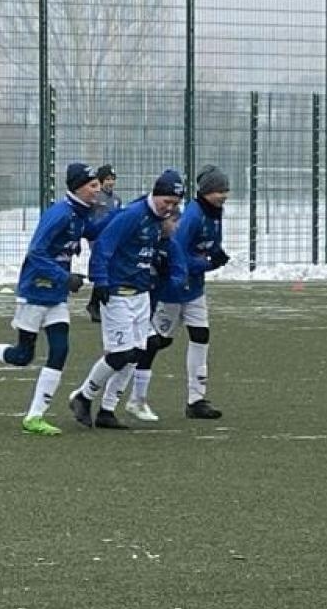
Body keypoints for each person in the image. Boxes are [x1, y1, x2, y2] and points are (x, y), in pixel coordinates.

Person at [0, 162, 103, 436]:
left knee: (60, 350)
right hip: (35, 292)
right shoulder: (60, 214)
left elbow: (94, 231)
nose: (99, 190)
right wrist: (64, 277)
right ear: (78, 187)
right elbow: (36, 252)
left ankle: (34, 417)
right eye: (93, 186)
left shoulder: (80, 214)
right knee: (23, 355)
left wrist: (126, 215)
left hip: (55, 297)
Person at [68, 169, 186, 430]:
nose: (170, 208)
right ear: (155, 194)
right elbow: (104, 246)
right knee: (121, 353)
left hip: (141, 294)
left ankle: (107, 411)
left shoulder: (159, 220)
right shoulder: (133, 215)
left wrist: (171, 272)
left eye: (175, 204)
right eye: (167, 202)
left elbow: (165, 249)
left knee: (138, 352)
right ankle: (83, 397)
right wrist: (100, 281)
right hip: (118, 293)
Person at [128, 164, 232, 421]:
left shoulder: (215, 213)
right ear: (206, 192)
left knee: (201, 335)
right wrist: (208, 262)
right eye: (219, 190)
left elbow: (208, 245)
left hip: (195, 289)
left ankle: (196, 399)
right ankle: (131, 389)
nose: (224, 195)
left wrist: (215, 253)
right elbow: (179, 255)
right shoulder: (193, 216)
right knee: (156, 342)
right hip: (173, 291)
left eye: (226, 190)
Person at [84, 163, 120, 323]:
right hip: (97, 239)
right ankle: (95, 304)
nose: (110, 182)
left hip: (112, 239)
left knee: (109, 269)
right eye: (107, 179)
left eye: (113, 179)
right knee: (103, 267)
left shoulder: (116, 199)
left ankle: (96, 303)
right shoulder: (96, 197)